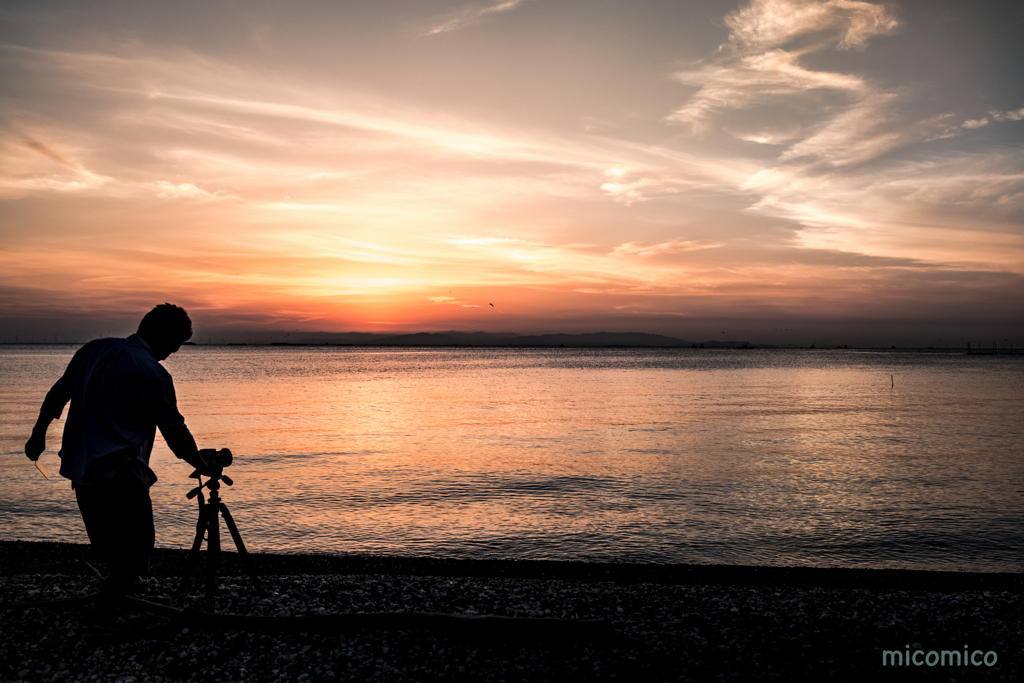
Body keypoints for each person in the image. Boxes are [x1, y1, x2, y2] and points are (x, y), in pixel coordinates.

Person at [24, 303, 214, 618]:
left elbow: (57, 394)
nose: (172, 353)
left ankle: (125, 600)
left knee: (112, 550)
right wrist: (201, 463)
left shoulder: (94, 350)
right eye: (175, 344)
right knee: (135, 548)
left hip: (83, 470)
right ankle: (105, 615)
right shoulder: (152, 371)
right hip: (121, 472)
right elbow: (174, 429)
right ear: (165, 334)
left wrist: (38, 434)